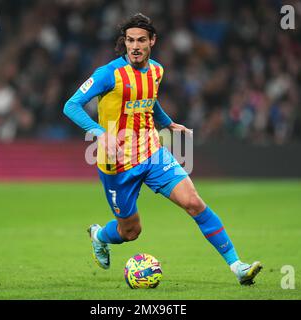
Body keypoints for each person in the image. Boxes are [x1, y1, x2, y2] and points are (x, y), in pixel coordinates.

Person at [63, 13, 262, 285]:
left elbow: (150, 101)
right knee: (131, 231)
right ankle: (99, 236)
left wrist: (167, 123)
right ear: (125, 42)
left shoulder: (156, 70)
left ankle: (238, 266)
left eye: (141, 40)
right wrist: (99, 133)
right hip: (116, 164)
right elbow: (70, 105)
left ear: (152, 41)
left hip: (151, 152)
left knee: (193, 202)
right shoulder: (108, 74)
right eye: (130, 40)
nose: (134, 46)